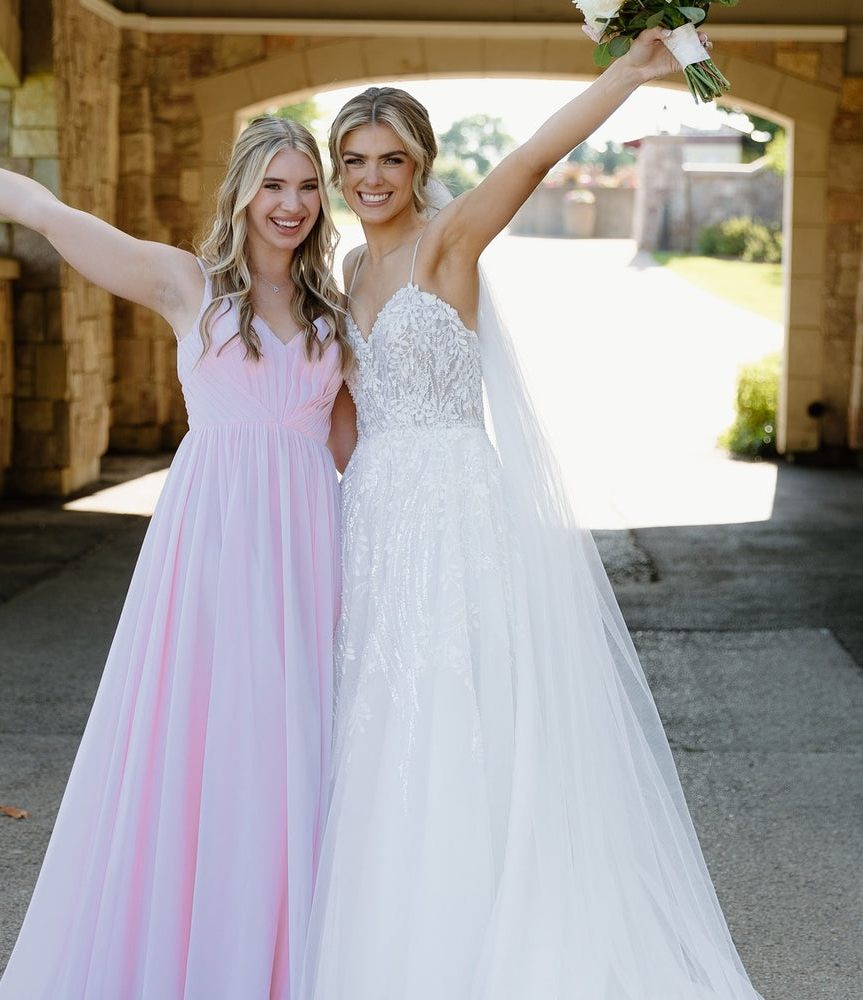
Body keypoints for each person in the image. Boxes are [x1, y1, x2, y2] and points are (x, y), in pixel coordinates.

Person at [300, 27, 765, 1000]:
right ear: (338, 170)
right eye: (354, 160)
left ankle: (479, 946)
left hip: (453, 514)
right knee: (386, 716)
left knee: (458, 714)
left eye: (390, 158)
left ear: (419, 163)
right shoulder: (344, 275)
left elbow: (533, 153)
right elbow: (339, 418)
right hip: (376, 515)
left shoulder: (450, 239)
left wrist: (633, 70)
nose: (371, 177)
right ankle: (397, 936)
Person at [0, 115, 354, 999]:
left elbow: (357, 449)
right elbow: (46, 213)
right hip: (209, 554)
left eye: (307, 186)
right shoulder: (186, 284)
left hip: (309, 555)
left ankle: (286, 958)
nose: (292, 205)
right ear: (241, 192)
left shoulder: (333, 311)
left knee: (297, 750)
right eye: (274, 185)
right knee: (206, 747)